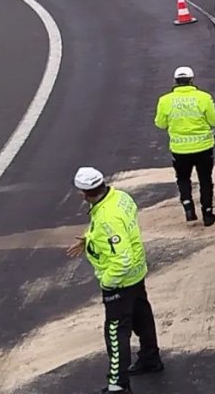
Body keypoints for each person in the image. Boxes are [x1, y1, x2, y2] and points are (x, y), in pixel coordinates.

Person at [65, 167, 162, 393]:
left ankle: (118, 383)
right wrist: (90, 239)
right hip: (137, 273)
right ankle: (150, 357)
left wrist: (108, 282)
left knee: (116, 332)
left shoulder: (107, 217)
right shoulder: (120, 197)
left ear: (84, 193)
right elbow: (117, 234)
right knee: (142, 316)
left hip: (121, 281)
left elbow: (121, 257)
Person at [154, 66, 215, 226]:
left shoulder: (165, 100)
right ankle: (207, 213)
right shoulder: (203, 97)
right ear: (192, 80)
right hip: (204, 147)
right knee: (205, 179)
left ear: (175, 82)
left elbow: (160, 124)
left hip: (180, 150)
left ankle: (188, 208)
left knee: (183, 179)